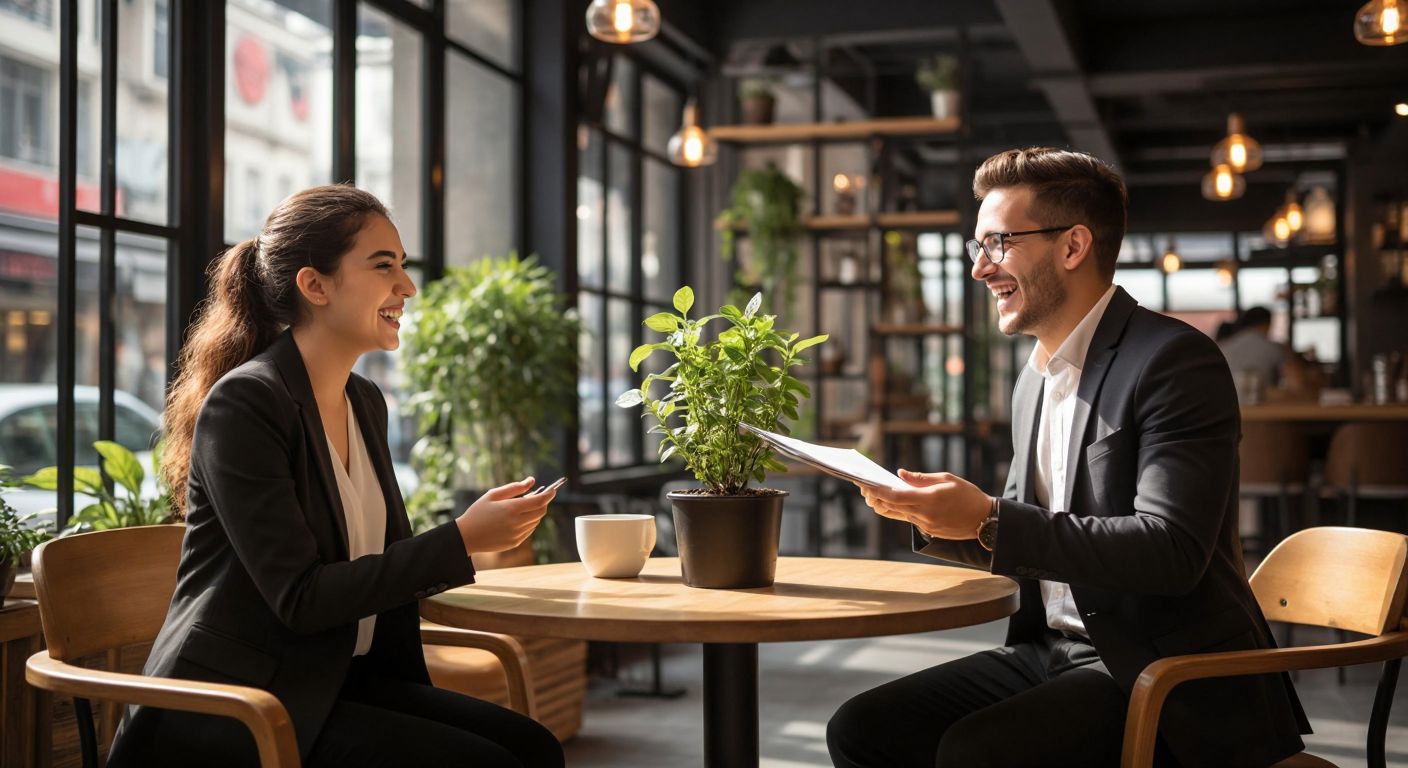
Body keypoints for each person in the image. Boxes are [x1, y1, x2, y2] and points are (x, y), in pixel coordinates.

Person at [826, 148, 1308, 768]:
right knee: (862, 729)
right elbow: (1031, 535)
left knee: (976, 754)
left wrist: (989, 517)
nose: (980, 269)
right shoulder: (1034, 378)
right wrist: (929, 515)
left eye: (998, 243)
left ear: (1073, 246)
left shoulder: (1173, 362)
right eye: (978, 246)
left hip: (1162, 666)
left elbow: (1172, 551)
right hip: (1055, 650)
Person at [108, 185, 565, 768]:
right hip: (237, 701)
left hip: (332, 680)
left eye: (402, 264)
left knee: (534, 748)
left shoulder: (365, 401)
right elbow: (301, 598)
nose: (407, 286)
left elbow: (379, 564)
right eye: (383, 266)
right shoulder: (245, 404)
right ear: (315, 285)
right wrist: (463, 540)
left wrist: (470, 539)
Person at [1218, 305, 1296, 402]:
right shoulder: (1273, 347)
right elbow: (1296, 384)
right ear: (1266, 324)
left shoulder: (1223, 346)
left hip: (1227, 407)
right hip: (1262, 409)